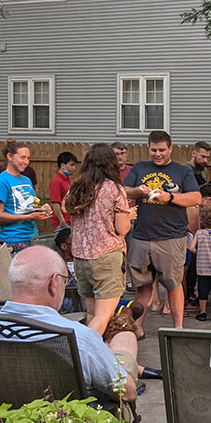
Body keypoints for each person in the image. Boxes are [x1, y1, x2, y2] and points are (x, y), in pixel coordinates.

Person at [0, 246, 139, 402]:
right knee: (124, 336)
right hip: (68, 422)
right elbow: (126, 393)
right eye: (65, 282)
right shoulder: (76, 336)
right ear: (53, 284)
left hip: (3, 420)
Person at [123, 131, 201, 330]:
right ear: (148, 148)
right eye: (153, 150)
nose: (157, 154)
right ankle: (137, 328)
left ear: (171, 149)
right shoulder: (140, 168)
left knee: (173, 285)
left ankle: (178, 329)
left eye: (162, 150)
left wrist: (171, 198)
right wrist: (138, 191)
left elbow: (195, 198)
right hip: (141, 237)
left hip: (171, 238)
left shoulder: (181, 171)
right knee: (143, 286)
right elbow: (123, 190)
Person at [66, 144, 136, 336]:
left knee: (91, 313)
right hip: (106, 257)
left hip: (80, 258)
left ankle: (98, 352)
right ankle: (83, 355)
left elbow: (68, 211)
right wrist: (128, 216)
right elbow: (121, 228)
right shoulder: (114, 189)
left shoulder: (77, 187)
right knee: (103, 316)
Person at [0, 141, 52, 253]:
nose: (26, 162)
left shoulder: (27, 180)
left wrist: (43, 208)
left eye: (28, 158)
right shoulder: (1, 181)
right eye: (22, 157)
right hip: (13, 241)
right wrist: (28, 217)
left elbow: (31, 206)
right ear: (10, 156)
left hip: (33, 238)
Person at [49, 151, 78, 230]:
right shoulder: (57, 181)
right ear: (62, 165)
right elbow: (55, 202)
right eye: (71, 165)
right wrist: (61, 220)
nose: (74, 168)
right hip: (62, 223)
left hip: (69, 220)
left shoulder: (68, 180)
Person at [53, 227, 78, 314]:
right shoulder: (57, 268)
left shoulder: (86, 262)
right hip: (72, 303)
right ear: (64, 246)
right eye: (76, 243)